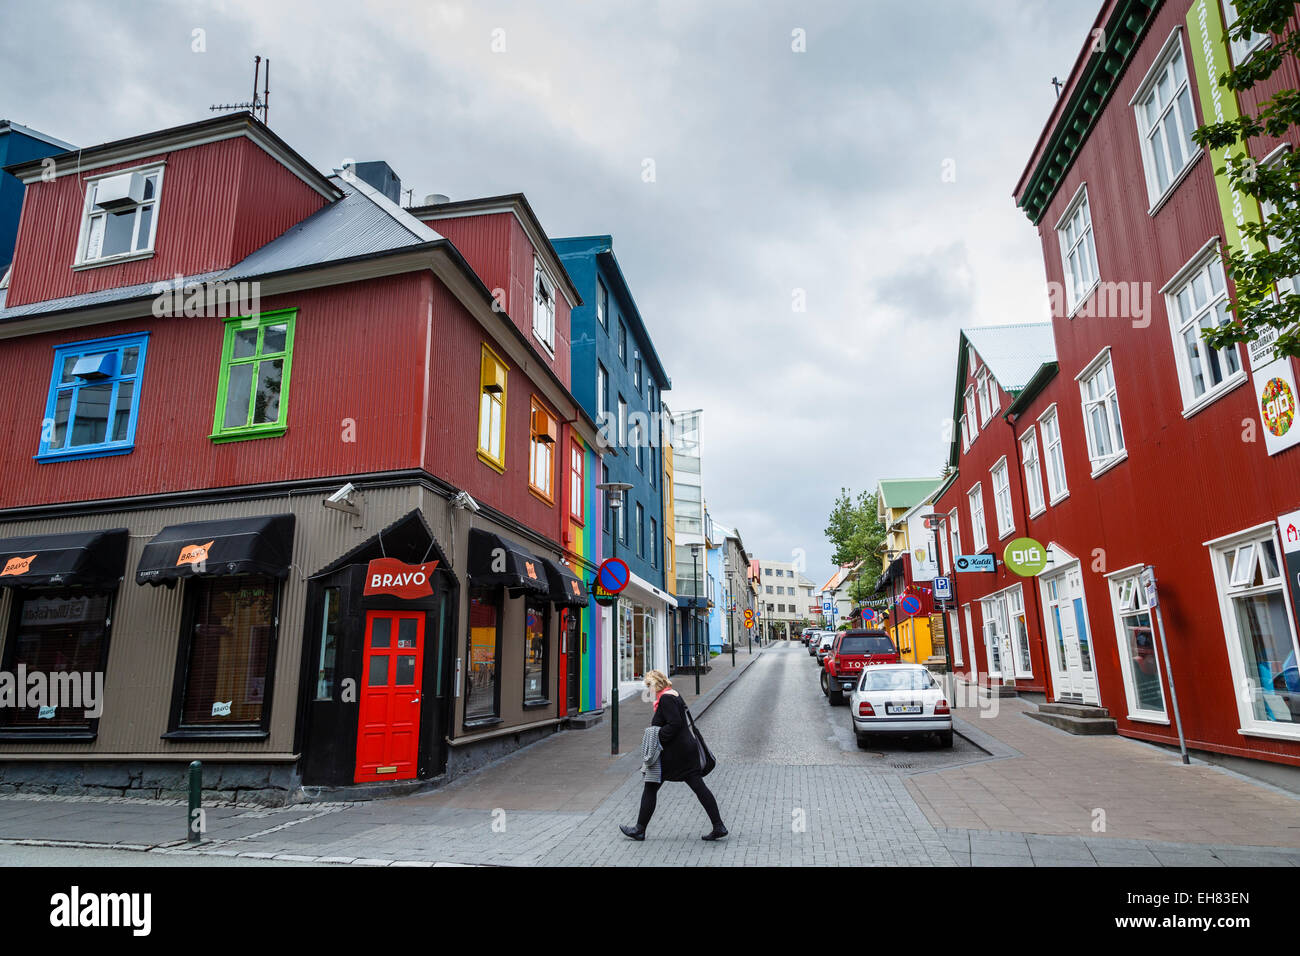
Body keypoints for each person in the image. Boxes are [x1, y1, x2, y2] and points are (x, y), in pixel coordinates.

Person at [620, 670, 727, 842]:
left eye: (650, 686)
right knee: (697, 787)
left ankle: (639, 829)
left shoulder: (666, 699)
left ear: (656, 684)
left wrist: (656, 736)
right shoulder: (673, 694)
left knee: (651, 786)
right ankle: (718, 825)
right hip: (684, 751)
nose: (650, 690)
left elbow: (675, 724)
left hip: (676, 754)